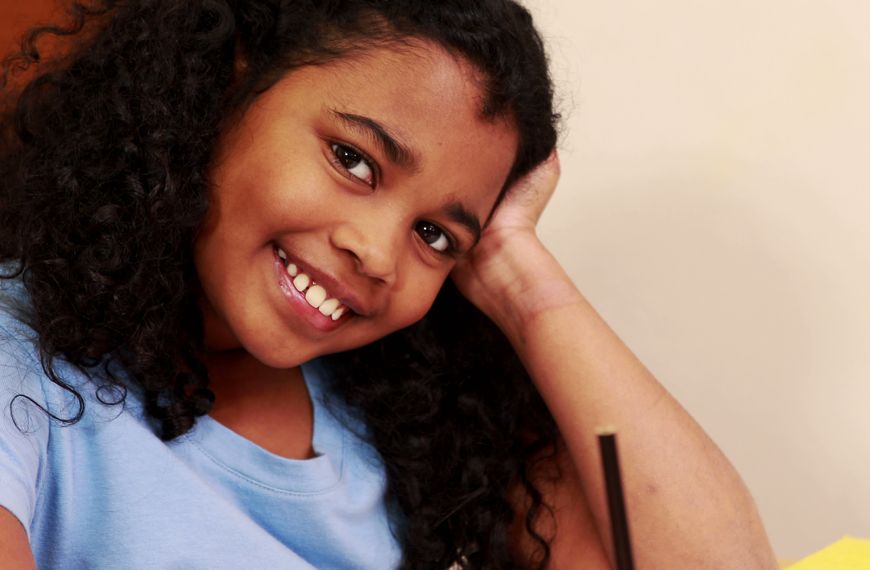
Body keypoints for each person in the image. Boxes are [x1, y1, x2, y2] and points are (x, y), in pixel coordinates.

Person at [0, 1, 778, 568]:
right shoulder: (20, 363)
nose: (377, 255)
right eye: (354, 160)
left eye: (436, 236)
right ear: (224, 87)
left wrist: (520, 279)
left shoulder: (391, 421)